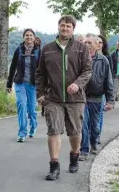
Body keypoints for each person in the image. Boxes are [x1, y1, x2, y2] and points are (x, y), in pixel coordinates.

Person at [35, 15, 93, 181]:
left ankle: (74, 155)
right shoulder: (47, 49)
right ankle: (54, 166)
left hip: (75, 98)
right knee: (53, 129)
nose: (65, 28)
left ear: (73, 29)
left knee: (75, 132)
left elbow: (88, 70)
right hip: (53, 98)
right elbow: (40, 74)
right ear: (58, 27)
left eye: (68, 26)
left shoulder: (81, 48)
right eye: (62, 25)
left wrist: (78, 84)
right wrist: (40, 94)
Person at [79, 34, 114, 161]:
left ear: (96, 45)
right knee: (83, 124)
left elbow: (108, 81)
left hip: (97, 97)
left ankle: (93, 142)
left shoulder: (103, 60)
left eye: (89, 43)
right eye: (85, 42)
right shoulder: (79, 58)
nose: (86, 45)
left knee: (95, 126)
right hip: (81, 97)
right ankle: (83, 150)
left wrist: (110, 100)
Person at [7, 29, 41, 142]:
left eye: (31, 35)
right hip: (20, 83)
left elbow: (42, 69)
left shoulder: (38, 51)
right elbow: (12, 67)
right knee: (22, 105)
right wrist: (9, 84)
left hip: (32, 84)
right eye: (27, 35)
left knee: (31, 109)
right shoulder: (19, 49)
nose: (29, 37)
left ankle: (33, 125)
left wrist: (43, 85)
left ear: (34, 37)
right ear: (23, 37)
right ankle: (22, 133)